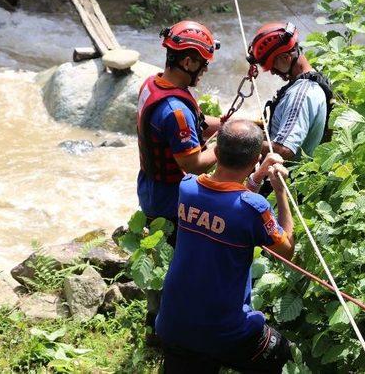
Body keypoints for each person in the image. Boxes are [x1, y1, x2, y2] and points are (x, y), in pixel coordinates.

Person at [156, 119, 295, 373]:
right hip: (223, 332)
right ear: (255, 159)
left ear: (217, 153)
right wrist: (280, 193)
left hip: (173, 324)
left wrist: (258, 176)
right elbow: (287, 251)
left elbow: (227, 200)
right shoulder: (254, 208)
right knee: (282, 354)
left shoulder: (187, 187)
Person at [137, 20, 223, 241]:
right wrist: (224, 144)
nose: (205, 69)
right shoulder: (176, 112)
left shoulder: (152, 85)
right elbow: (192, 165)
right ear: (187, 62)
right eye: (203, 64)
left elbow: (197, 123)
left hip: (149, 188)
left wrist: (227, 124)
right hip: (170, 203)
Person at [247, 21, 333, 160]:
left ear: (285, 57)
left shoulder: (301, 94)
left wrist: (241, 142)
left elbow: (284, 150)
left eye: (273, 66)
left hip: (289, 179)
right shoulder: (312, 82)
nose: (273, 73)